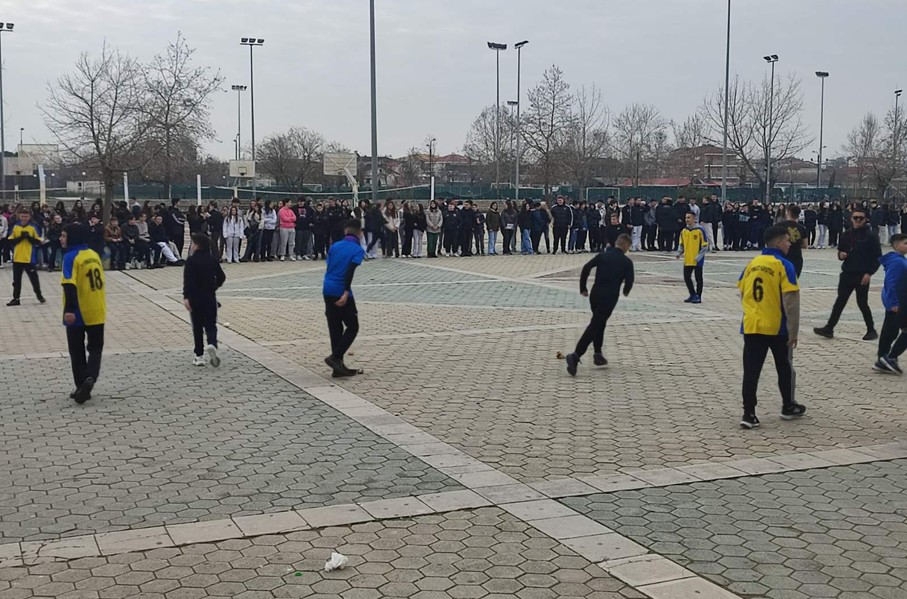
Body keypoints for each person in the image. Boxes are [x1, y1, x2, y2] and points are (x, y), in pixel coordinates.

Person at [737, 225, 806, 429]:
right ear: (778, 243)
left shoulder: (752, 263)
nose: (790, 243)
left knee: (751, 371)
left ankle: (749, 413)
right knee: (784, 367)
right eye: (787, 240)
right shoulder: (784, 265)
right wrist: (793, 332)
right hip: (777, 327)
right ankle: (788, 405)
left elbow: (742, 290)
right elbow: (791, 302)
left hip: (752, 325)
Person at [565, 234, 634, 376]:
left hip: (595, 294)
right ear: (626, 246)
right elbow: (630, 280)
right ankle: (575, 355)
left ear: (616, 243)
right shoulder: (626, 262)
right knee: (595, 325)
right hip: (609, 297)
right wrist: (626, 290)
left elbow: (586, 268)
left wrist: (583, 287)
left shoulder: (602, 256)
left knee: (599, 322)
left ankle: (598, 353)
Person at [814, 207, 881, 340]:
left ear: (866, 219)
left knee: (862, 303)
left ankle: (871, 329)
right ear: (851, 219)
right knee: (840, 301)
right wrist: (841, 255)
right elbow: (841, 251)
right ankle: (829, 328)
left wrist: (869, 273)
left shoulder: (871, 236)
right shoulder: (846, 235)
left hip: (862, 274)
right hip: (847, 273)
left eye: (861, 218)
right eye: (855, 218)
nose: (858, 220)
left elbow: (877, 257)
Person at [60, 223, 106, 404]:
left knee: (76, 349)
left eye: (64, 235)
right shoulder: (93, 254)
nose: (61, 239)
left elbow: (69, 285)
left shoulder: (70, 257)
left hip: (79, 309)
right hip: (98, 308)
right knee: (95, 348)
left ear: (72, 237)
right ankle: (90, 377)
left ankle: (81, 384)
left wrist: (69, 310)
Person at [323, 219, 365, 377]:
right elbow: (349, 271)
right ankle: (335, 357)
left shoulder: (335, 246)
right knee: (352, 326)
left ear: (345, 231)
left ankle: (338, 368)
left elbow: (329, 266)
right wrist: (346, 291)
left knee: (335, 328)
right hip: (341, 290)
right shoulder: (357, 250)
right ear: (359, 233)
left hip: (328, 288)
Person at [182, 233, 226, 367]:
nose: (191, 246)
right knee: (211, 324)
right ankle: (212, 343)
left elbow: (188, 281)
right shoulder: (212, 260)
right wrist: (214, 286)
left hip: (195, 298)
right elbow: (221, 277)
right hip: (210, 296)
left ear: (197, 245)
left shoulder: (191, 261)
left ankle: (199, 356)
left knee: (197, 327)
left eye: (193, 243)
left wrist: (186, 297)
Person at [874, 234, 907, 374]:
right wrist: (894, 303)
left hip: (898, 300)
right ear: (896, 245)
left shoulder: (899, 260)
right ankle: (886, 359)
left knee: (891, 331)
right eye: (905, 243)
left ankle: (885, 358)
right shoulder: (897, 262)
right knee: (891, 331)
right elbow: (891, 282)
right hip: (897, 302)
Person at [6, 208, 46, 306]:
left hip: (29, 258)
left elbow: (38, 242)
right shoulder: (16, 227)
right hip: (17, 257)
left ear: (29, 217)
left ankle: (39, 295)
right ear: (19, 216)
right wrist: (21, 237)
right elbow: (11, 241)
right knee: (16, 280)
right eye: (22, 216)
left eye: (26, 216)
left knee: (34, 279)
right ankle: (16, 298)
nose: (24, 218)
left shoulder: (33, 227)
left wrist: (29, 237)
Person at [676, 212, 708, 304]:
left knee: (698, 278)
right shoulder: (684, 231)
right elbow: (681, 244)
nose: (687, 219)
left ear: (694, 219)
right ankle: (692, 294)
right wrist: (679, 253)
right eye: (686, 217)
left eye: (689, 217)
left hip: (697, 260)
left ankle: (698, 296)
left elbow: (705, 246)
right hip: (688, 258)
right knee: (687, 277)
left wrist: (699, 256)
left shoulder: (700, 230)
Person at [781, 205, 809, 278]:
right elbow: (805, 245)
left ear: (788, 212)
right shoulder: (802, 228)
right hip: (797, 257)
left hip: (783, 256)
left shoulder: (779, 226)